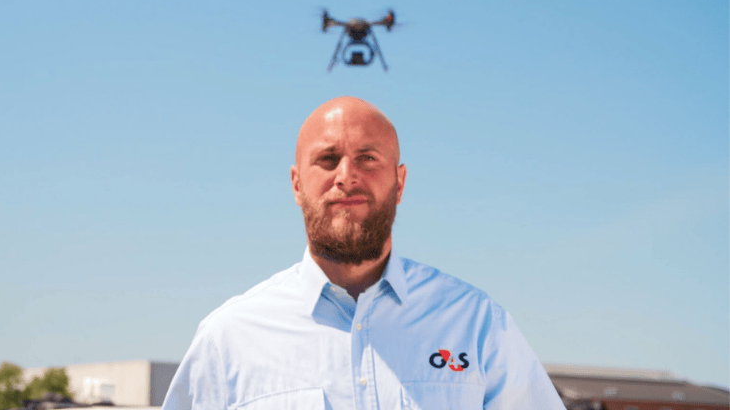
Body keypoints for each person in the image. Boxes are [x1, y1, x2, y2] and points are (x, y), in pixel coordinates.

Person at [162, 96, 566, 409]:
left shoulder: (477, 326)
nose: (346, 176)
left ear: (400, 183)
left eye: (367, 158)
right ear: (297, 185)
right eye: (327, 159)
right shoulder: (228, 339)